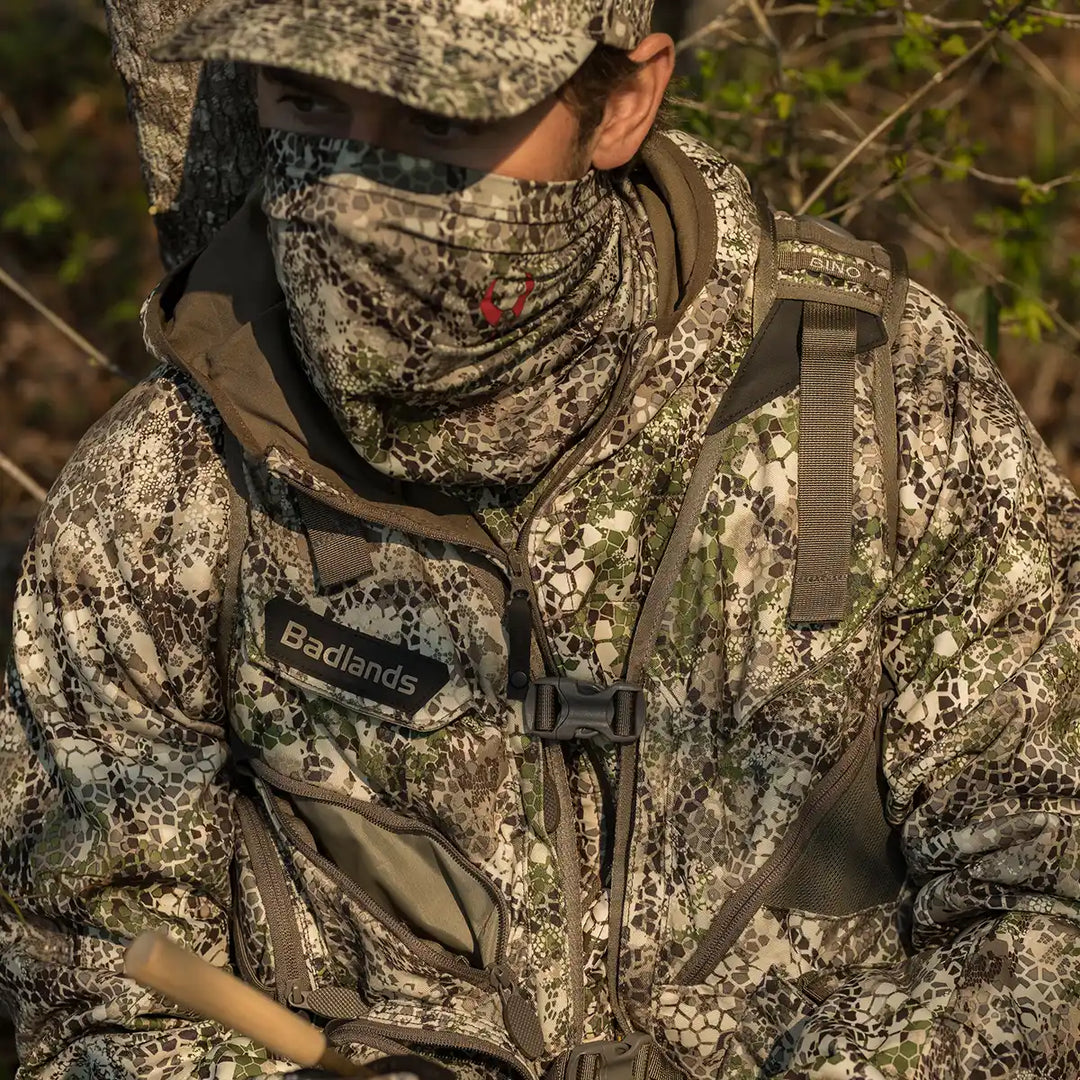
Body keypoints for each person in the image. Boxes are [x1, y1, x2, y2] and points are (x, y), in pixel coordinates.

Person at [1, 1, 1079, 1078]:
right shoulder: (168, 481)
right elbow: (92, 980)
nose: (362, 190)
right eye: (310, 103)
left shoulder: (879, 396)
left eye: (440, 121)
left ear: (622, 106)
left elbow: (1048, 894)